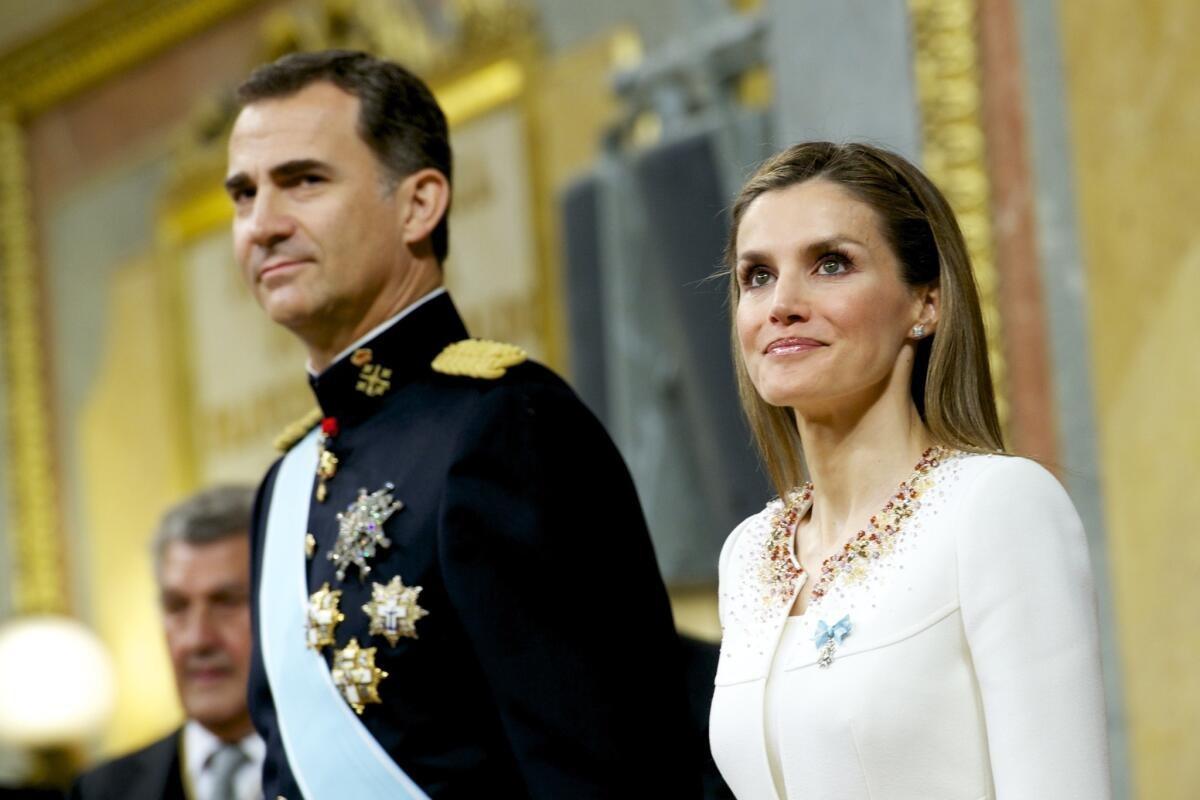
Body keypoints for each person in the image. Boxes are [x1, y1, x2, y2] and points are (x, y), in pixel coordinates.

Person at [225, 49, 699, 799]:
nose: (263, 224)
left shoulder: (505, 425)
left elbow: (601, 769)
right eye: (243, 195)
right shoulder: (286, 483)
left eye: (303, 181)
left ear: (419, 204)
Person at [707, 142, 1111, 799]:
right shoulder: (749, 552)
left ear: (925, 303)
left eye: (830, 264)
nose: (782, 303)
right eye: (756, 276)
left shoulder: (995, 507)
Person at [71, 486, 263, 800]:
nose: (197, 639)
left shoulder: (342, 771)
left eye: (227, 601)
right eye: (177, 606)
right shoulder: (100, 791)